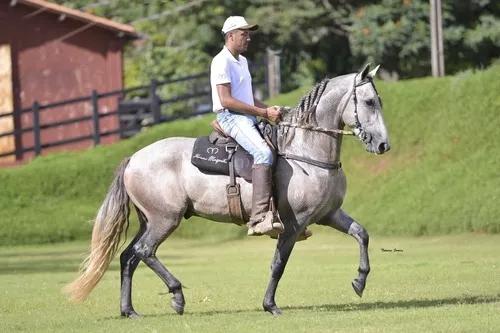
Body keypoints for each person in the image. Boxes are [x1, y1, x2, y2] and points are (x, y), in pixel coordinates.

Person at [210, 16, 284, 237]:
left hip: (246, 116)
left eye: (248, 34)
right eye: (244, 34)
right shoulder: (221, 61)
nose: (248, 38)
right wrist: (263, 113)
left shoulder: (242, 61)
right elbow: (226, 100)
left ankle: (281, 215)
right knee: (263, 153)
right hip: (230, 117)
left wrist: (270, 110)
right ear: (230, 36)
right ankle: (259, 217)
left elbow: (248, 98)